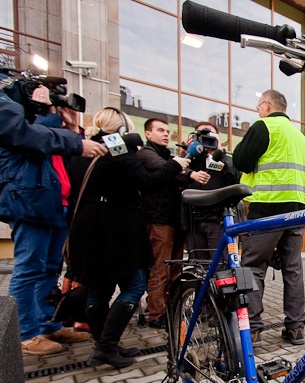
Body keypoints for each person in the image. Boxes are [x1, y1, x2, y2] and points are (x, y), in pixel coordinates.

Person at [67, 107, 183, 368]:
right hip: (114, 225)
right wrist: (175, 164)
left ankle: (104, 346)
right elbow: (146, 181)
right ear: (121, 129)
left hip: (88, 225)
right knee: (134, 285)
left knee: (99, 286)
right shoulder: (116, 147)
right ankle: (106, 346)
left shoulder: (87, 149)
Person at [0, 82, 107, 356]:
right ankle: (25, 333)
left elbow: (67, 155)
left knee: (49, 268)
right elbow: (28, 139)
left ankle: (47, 324)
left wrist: (71, 128)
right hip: (30, 201)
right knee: (29, 267)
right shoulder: (16, 114)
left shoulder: (45, 127)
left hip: (54, 203)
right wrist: (48, 113)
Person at [233, 89, 305, 345]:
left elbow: (242, 162)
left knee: (254, 267)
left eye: (259, 106)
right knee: (293, 268)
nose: (258, 111)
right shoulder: (301, 137)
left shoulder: (264, 127)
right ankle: (296, 327)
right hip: (298, 208)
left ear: (267, 105)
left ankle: (252, 329)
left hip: (268, 207)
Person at [138, 118, 209, 330]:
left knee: (174, 270)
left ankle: (169, 310)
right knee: (160, 269)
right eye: (160, 130)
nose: (166, 134)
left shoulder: (169, 156)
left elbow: (181, 172)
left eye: (168, 131)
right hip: (158, 221)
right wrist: (189, 169)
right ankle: (156, 314)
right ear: (148, 134)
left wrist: (194, 155)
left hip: (175, 221)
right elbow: (167, 168)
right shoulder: (147, 153)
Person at [183, 121, 240, 261]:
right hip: (194, 221)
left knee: (220, 264)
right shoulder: (190, 158)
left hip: (218, 220)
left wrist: (219, 154)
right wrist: (188, 153)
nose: (206, 140)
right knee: (198, 264)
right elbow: (175, 172)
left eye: (211, 135)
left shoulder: (226, 158)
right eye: (202, 136)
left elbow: (237, 177)